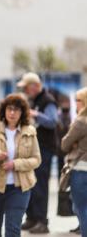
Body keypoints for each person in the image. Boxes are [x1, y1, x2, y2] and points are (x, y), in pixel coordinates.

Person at [0, 94, 41, 237]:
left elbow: (36, 159)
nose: (12, 113)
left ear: (22, 112)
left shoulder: (29, 131)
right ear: (4, 110)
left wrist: (16, 164)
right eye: (9, 109)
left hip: (20, 188)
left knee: (13, 229)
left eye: (17, 110)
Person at [17, 72, 58, 233]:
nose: (26, 90)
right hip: (33, 149)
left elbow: (52, 122)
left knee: (40, 185)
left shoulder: (48, 101)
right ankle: (32, 217)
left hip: (44, 149)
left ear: (34, 86)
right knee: (31, 184)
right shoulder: (33, 100)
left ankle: (42, 221)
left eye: (27, 87)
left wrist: (36, 114)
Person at [61, 87, 87, 237]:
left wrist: (75, 144)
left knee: (81, 209)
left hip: (81, 170)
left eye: (78, 100)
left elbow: (64, 144)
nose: (75, 103)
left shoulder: (80, 122)